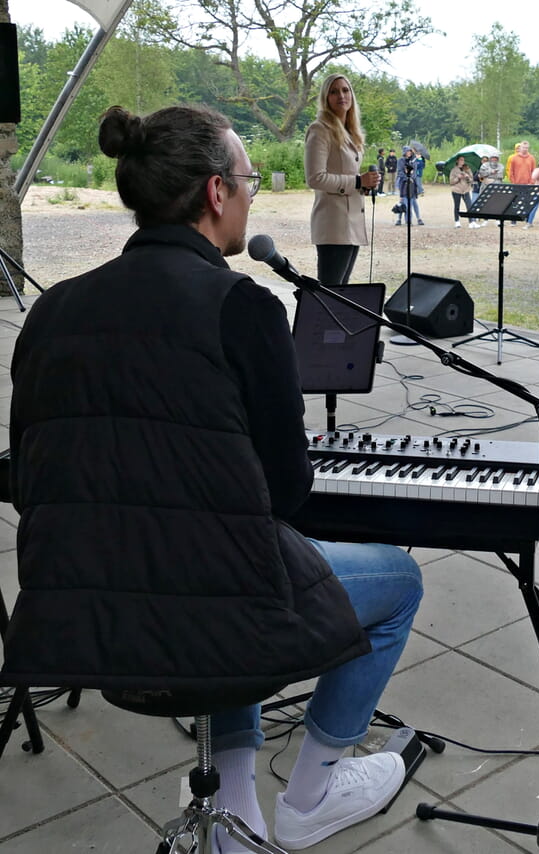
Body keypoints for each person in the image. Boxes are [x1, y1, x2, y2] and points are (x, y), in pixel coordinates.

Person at [4, 104, 423, 853]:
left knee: (220, 557)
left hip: (87, 619)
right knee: (394, 580)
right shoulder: (243, 307)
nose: (255, 193)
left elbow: (32, 474)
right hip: (218, 615)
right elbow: (287, 493)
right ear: (215, 193)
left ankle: (235, 806)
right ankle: (313, 792)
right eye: (250, 179)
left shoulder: (52, 311)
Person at [304, 73, 379, 285]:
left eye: (345, 90)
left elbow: (347, 175)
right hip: (334, 226)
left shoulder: (350, 132)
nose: (341, 95)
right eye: (334, 91)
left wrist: (366, 185)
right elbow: (315, 178)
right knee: (331, 292)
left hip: (351, 223)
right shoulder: (320, 130)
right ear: (326, 98)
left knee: (341, 292)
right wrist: (357, 182)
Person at [395, 152, 423, 227]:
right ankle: (401, 219)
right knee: (403, 204)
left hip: (412, 188)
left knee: (413, 204)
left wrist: (411, 177)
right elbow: (400, 173)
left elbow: (415, 173)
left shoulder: (413, 161)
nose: (409, 153)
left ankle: (417, 218)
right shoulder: (401, 161)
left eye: (410, 152)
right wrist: (406, 178)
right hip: (404, 187)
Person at [449, 155, 474, 228]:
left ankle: (471, 221)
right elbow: (451, 182)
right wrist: (458, 178)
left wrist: (467, 177)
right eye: (461, 160)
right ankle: (457, 221)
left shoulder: (467, 169)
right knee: (457, 206)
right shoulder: (454, 170)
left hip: (466, 190)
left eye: (463, 160)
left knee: (469, 206)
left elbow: (471, 180)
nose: (462, 161)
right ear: (457, 161)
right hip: (456, 190)